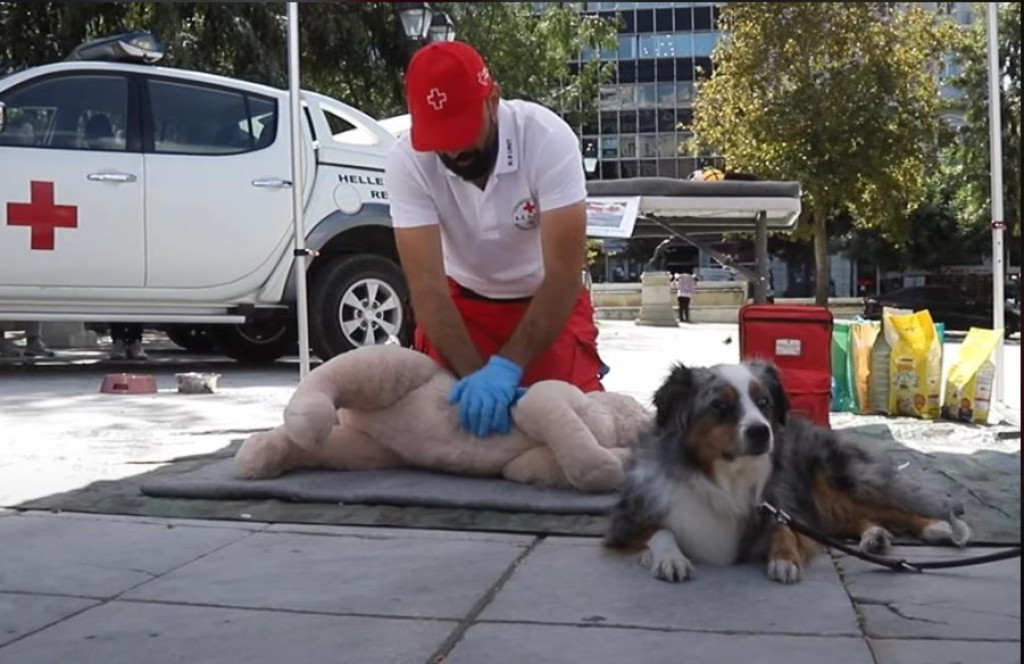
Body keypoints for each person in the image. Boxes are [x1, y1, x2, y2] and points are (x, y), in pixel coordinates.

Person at [384, 40, 606, 439]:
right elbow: (427, 288)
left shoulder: (547, 138)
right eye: (440, 137)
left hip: (546, 305)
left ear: (493, 99)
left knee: (576, 425)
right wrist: (476, 379)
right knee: (439, 429)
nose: (453, 149)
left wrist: (505, 369)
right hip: (460, 307)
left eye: (462, 130)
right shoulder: (406, 162)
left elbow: (563, 276)